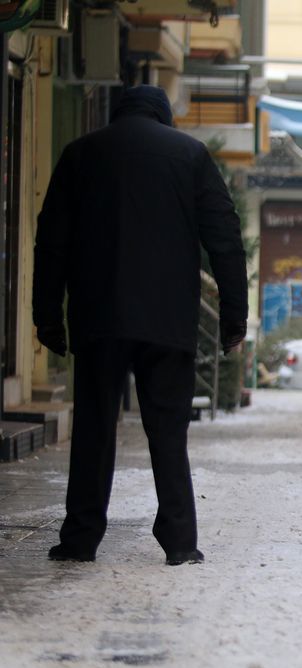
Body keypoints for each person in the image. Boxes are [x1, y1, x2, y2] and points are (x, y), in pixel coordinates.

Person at [32, 85, 247, 566]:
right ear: (164, 116)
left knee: (93, 429)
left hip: (98, 316)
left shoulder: (81, 153)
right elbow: (225, 236)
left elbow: (52, 241)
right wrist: (234, 315)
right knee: (168, 430)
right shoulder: (189, 156)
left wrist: (47, 317)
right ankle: (179, 540)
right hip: (168, 320)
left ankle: (81, 537)